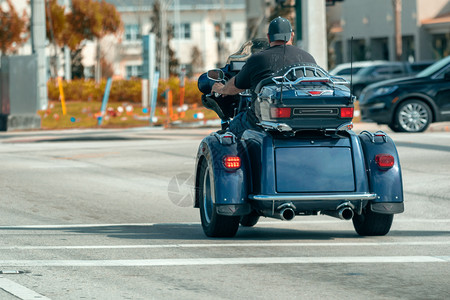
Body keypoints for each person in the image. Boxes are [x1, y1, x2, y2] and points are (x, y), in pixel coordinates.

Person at [211, 16, 317, 137]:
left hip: (261, 120)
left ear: (268, 37)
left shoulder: (258, 59)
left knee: (233, 128)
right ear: (291, 35)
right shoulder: (308, 58)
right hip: (301, 120)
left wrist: (222, 89)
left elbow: (236, 85)